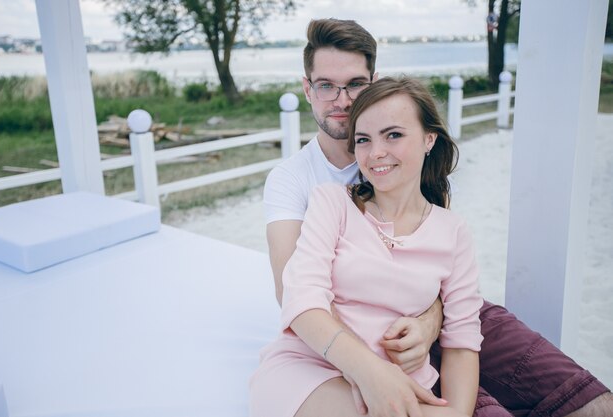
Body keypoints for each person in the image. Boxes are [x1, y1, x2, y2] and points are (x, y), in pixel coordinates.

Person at [261, 18, 612, 417]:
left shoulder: (413, 164)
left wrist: (429, 323)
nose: (342, 100)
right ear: (307, 88)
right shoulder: (299, 183)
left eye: (355, 84)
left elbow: (440, 263)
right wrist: (372, 366)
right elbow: (293, 292)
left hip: (439, 315)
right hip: (353, 341)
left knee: (593, 404)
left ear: (373, 82)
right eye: (326, 85)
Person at [250, 76, 483, 417]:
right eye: (363, 139)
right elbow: (301, 299)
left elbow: (462, 340)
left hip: (404, 383)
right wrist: (371, 372)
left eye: (394, 135)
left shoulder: (453, 231)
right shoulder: (332, 203)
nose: (376, 153)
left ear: (429, 138)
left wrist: (458, 413)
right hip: (310, 373)